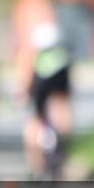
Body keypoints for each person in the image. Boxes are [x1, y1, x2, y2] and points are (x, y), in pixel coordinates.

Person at [24, 22, 73, 179]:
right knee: (63, 116)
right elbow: (67, 87)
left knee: (33, 127)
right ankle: (64, 148)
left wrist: (24, 95)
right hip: (58, 96)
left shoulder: (37, 58)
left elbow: (30, 83)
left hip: (41, 95)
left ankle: (35, 166)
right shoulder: (63, 57)